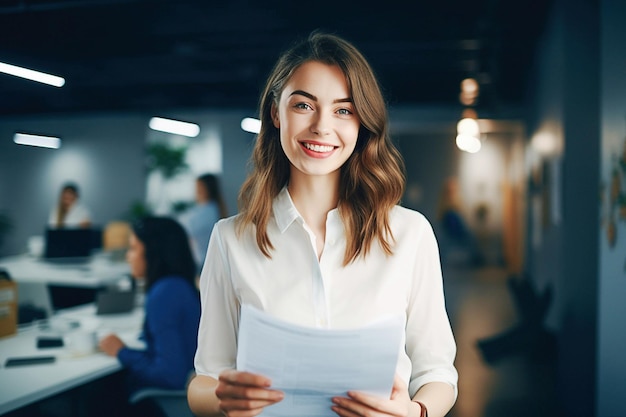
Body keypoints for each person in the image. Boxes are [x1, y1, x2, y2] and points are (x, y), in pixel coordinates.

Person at [187, 31, 458, 417]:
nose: (321, 126)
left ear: (362, 122)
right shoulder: (230, 239)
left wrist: (416, 413)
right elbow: (205, 379)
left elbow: (438, 373)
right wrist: (225, 399)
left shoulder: (409, 234)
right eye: (303, 105)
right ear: (275, 113)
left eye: (343, 110)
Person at [98, 216, 201, 415]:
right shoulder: (181, 285)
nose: (128, 256)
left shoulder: (164, 293)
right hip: (190, 392)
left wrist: (121, 351)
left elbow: (171, 374)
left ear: (153, 252)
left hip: (170, 401)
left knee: (99, 394)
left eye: (134, 248)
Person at [179, 173, 228, 271]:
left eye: (200, 188)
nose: (196, 191)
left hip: (204, 261)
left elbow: (186, 229)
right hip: (203, 259)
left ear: (208, 189)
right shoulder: (204, 209)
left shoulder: (208, 211)